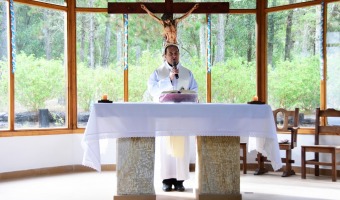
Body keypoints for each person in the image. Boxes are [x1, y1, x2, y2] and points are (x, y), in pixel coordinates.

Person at [147, 44, 198, 192]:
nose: (174, 56)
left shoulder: (187, 73)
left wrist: (186, 94)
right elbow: (153, 90)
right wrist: (168, 80)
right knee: (165, 148)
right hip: (164, 116)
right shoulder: (157, 73)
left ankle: (180, 180)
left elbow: (194, 91)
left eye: (176, 53)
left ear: (179, 55)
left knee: (181, 149)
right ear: (165, 56)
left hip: (182, 115)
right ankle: (166, 180)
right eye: (170, 53)